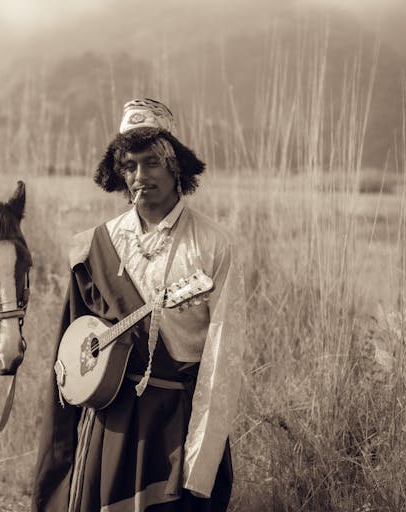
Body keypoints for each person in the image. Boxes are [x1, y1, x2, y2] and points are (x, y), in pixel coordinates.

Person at [32, 98, 246, 512]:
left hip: (171, 426)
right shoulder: (95, 245)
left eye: (151, 162)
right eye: (129, 165)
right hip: (107, 421)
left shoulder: (214, 246)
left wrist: (201, 459)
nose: (139, 176)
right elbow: (72, 350)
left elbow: (223, 361)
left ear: (176, 167)